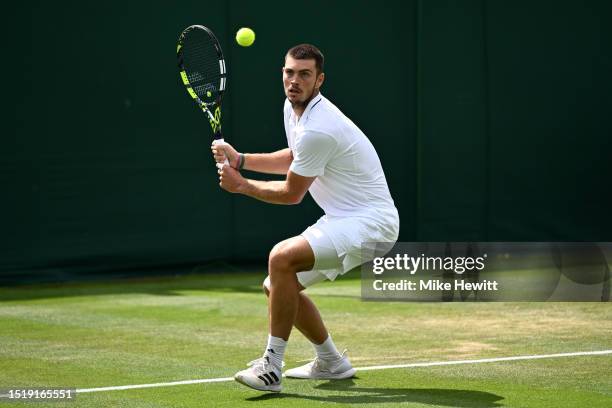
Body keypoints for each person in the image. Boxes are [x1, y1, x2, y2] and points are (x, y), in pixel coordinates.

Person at [211, 44, 399, 393]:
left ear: (320, 79)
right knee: (276, 285)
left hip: (371, 222)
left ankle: (271, 366)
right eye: (289, 73)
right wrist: (241, 160)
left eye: (305, 74)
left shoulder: (320, 127)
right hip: (344, 217)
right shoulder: (294, 109)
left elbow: (292, 193)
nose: (294, 81)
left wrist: (241, 186)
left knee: (281, 259)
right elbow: (297, 158)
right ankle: (331, 361)